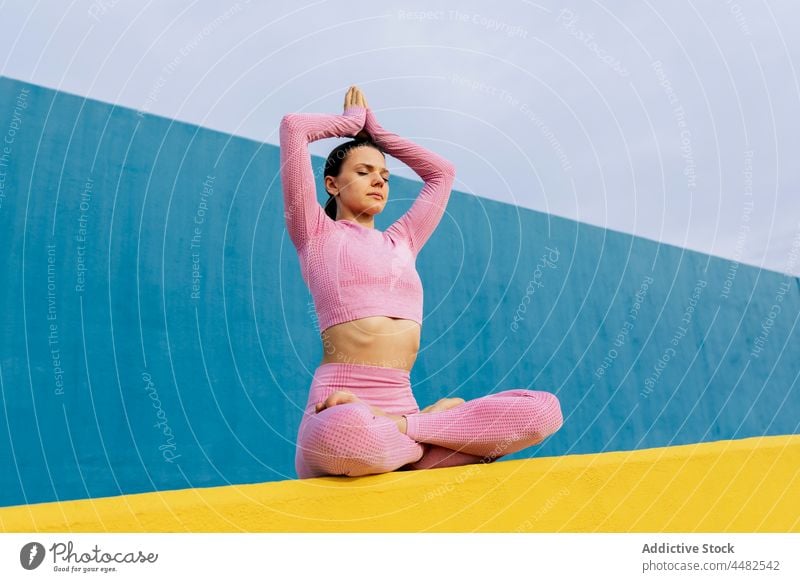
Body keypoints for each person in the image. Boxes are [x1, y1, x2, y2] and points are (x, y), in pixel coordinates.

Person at [279, 85, 563, 479]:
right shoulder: (314, 232)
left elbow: (441, 173)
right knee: (348, 436)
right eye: (363, 172)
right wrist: (349, 125)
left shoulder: (403, 241)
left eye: (384, 176)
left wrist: (378, 134)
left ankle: (405, 431)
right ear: (331, 184)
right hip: (340, 410)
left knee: (543, 411)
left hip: (401, 411)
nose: (379, 181)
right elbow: (293, 127)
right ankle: (429, 441)